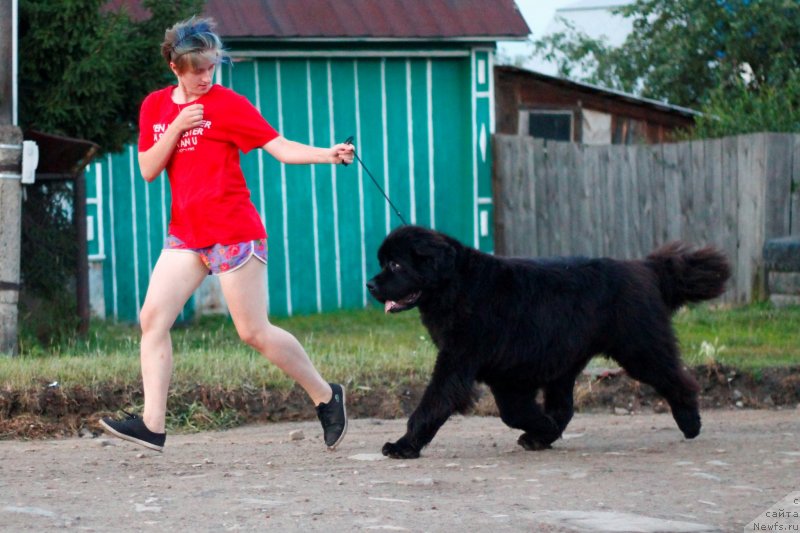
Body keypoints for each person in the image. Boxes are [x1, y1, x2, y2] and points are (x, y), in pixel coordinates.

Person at [100, 16, 353, 453]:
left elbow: (279, 147)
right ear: (175, 67)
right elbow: (147, 169)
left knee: (253, 332)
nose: (206, 77)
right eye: (197, 70)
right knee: (152, 320)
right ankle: (152, 425)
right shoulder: (155, 107)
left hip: (234, 232)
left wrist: (327, 154)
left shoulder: (228, 104)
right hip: (186, 234)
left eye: (211, 67)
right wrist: (178, 126)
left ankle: (326, 396)